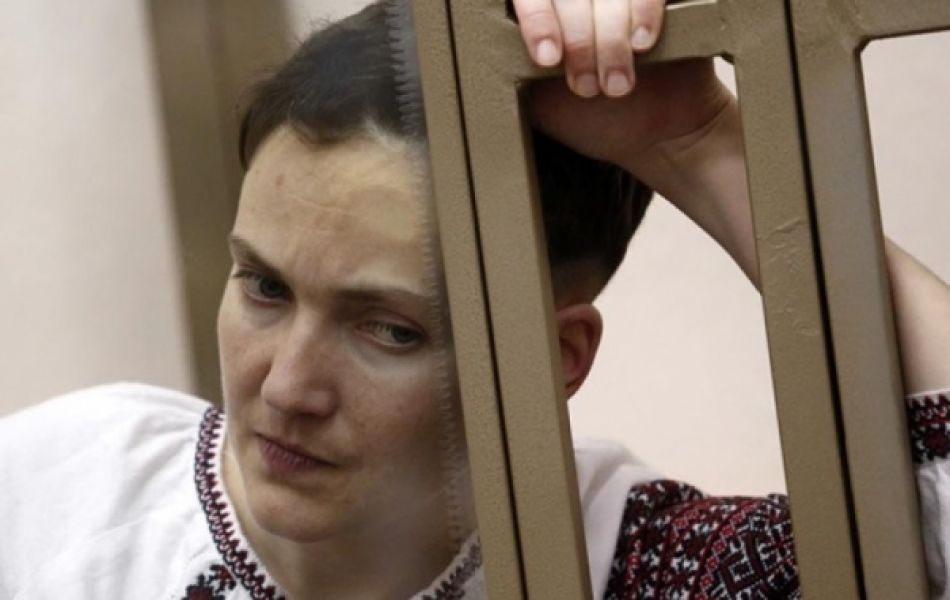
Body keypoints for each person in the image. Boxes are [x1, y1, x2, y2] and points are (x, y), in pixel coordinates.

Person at [0, 2, 947, 599]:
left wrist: (699, 145)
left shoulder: (625, 561)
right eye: (265, 286)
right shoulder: (62, 490)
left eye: (388, 330)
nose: (286, 387)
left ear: (556, 359)